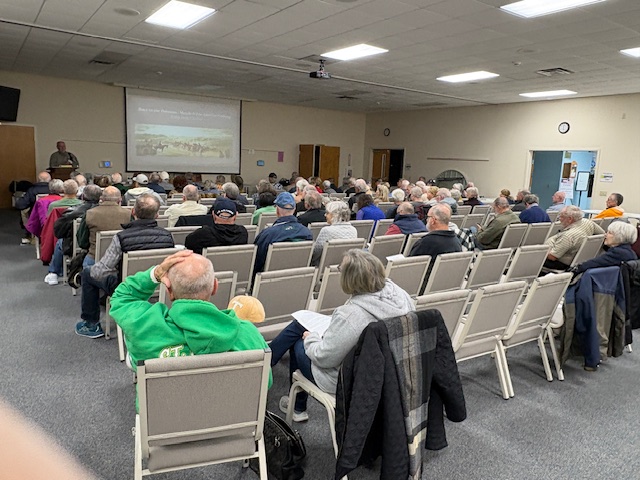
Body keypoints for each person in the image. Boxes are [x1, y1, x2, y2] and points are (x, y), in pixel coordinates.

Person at [270, 249, 414, 421]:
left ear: (350, 279)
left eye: (341, 269)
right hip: (387, 374)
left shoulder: (351, 316)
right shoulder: (401, 296)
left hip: (345, 380)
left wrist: (311, 339)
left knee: (299, 342)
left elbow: (324, 358)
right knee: (300, 325)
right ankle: (269, 360)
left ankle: (296, 406)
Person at [110, 250, 270, 376]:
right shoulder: (249, 334)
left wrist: (155, 274)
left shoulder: (143, 326)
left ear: (169, 291)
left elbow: (122, 297)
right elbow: (265, 381)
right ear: (215, 287)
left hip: (165, 409)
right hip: (229, 408)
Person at [75, 194, 175, 339]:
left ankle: (91, 325)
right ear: (157, 215)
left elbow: (101, 271)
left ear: (133, 212)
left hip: (126, 287)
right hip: (157, 287)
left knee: (88, 273)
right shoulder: (167, 236)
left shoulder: (121, 237)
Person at [44, 185, 102, 285]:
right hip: (102, 247)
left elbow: (58, 232)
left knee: (60, 241)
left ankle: (54, 273)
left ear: (83, 196)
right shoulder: (106, 212)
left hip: (76, 246)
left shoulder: (73, 212)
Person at [253, 192, 312, 274]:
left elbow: (255, 263)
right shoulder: (307, 232)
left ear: (277, 210)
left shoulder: (267, 235)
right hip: (297, 278)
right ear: (294, 209)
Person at [77, 186, 132, 267]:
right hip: (120, 260)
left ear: (101, 199)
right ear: (120, 200)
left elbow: (82, 242)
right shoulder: (129, 214)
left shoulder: (89, 214)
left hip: (94, 259)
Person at [409, 203, 462, 278]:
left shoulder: (425, 243)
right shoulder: (456, 241)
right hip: (445, 280)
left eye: (428, 217)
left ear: (433, 220)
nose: (426, 220)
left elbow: (409, 266)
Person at [544, 205, 605, 270]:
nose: (559, 218)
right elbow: (603, 234)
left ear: (570, 219)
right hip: (580, 260)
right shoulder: (587, 222)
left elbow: (552, 257)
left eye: (561, 216)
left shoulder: (568, 236)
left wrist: (543, 252)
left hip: (562, 263)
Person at [311, 200, 357, 266]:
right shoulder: (353, 230)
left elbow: (315, 253)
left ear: (335, 215)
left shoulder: (327, 230)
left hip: (325, 267)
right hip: (346, 267)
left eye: (327, 213)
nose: (325, 215)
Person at [16, 171, 51, 245]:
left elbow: (21, 205)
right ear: (50, 180)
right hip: (52, 215)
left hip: (36, 216)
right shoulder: (54, 189)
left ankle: (31, 234)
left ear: (38, 179)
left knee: (24, 211)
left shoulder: (32, 190)